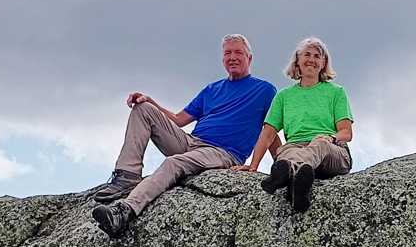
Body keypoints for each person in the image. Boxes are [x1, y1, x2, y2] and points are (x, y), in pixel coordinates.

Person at [91, 35, 278, 236]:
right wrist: (150, 101)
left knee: (174, 163)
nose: (232, 57)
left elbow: (271, 131)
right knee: (142, 109)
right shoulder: (212, 89)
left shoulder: (264, 90)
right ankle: (126, 177)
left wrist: (279, 168)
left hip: (223, 153)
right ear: (223, 59)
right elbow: (179, 119)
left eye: (238, 52)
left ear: (249, 58)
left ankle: (124, 211)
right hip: (191, 142)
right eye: (227, 53)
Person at [231, 37, 352, 213]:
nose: (311, 60)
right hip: (295, 147)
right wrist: (253, 165)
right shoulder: (283, 97)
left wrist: (331, 138)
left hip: (332, 152)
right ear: (297, 60)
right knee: (285, 151)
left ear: (323, 63)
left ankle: (286, 173)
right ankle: (299, 188)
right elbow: (268, 133)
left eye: (317, 56)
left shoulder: (336, 92)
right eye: (307, 55)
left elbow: (346, 132)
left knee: (317, 144)